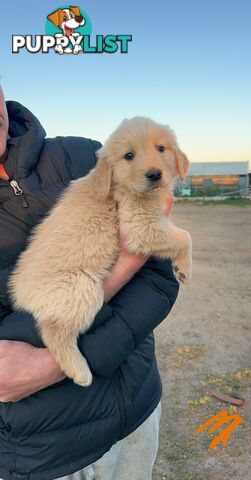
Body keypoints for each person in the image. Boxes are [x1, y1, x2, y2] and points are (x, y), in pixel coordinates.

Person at [0, 85, 179, 480]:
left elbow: (159, 280)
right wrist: (125, 264)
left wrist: (50, 363)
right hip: (40, 455)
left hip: (135, 414)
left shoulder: (84, 156)